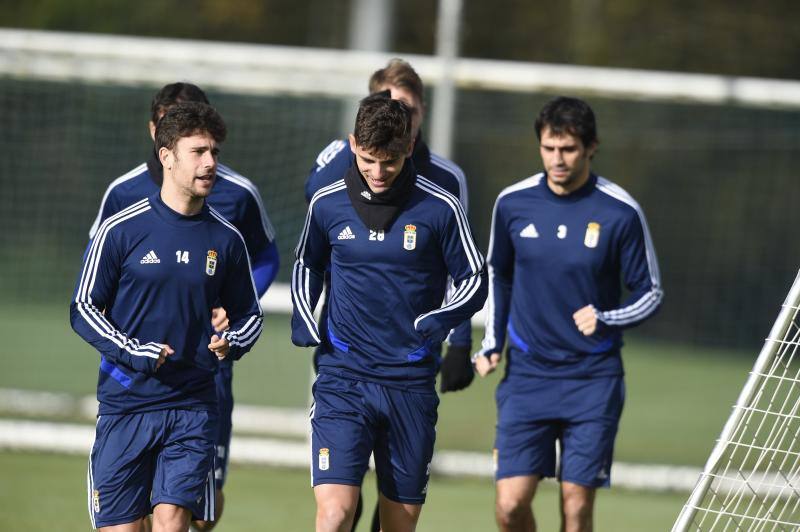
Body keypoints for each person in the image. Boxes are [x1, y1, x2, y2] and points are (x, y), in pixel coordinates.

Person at [88, 82, 279, 530]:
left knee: (185, 517)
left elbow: (263, 262)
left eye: (211, 147)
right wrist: (128, 339)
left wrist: (229, 323)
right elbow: (89, 290)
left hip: (199, 386)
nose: (209, 160)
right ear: (162, 143)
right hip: (129, 389)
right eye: (196, 148)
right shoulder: (123, 203)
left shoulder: (235, 203)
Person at [292, 93, 487, 532]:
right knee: (335, 514)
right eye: (366, 160)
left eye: (390, 161)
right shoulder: (326, 203)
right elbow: (307, 263)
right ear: (352, 144)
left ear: (409, 147)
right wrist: (305, 316)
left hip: (410, 383)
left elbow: (474, 277)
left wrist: (442, 320)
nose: (378, 173)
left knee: (397, 527)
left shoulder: (441, 207)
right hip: (344, 378)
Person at [475, 96, 663, 532]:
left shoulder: (620, 211)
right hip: (527, 377)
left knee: (576, 512)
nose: (557, 159)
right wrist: (492, 342)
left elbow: (651, 291)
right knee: (509, 506)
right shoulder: (512, 203)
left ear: (591, 147)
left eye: (568, 149)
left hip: (592, 380)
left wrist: (607, 317)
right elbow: (497, 274)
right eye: (549, 148)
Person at [307, 58, 474, 395]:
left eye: (407, 109)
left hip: (411, 348)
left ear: (422, 111)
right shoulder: (339, 158)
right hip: (345, 345)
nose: (398, 118)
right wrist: (354, 150)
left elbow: (461, 267)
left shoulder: (447, 179)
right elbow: (315, 201)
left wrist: (460, 342)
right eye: (387, 106)